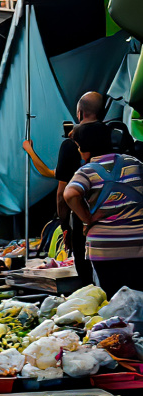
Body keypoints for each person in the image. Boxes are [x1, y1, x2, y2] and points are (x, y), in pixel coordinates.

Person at [23, 90, 105, 285]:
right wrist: (31, 152)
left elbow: (63, 193)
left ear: (79, 113)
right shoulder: (113, 139)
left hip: (85, 223)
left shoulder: (71, 145)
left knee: (89, 280)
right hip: (122, 222)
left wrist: (65, 226)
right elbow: (53, 173)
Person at [64, 121, 143, 298]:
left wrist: (87, 219)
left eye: (78, 146)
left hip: (105, 248)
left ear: (86, 147)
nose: (78, 150)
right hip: (138, 244)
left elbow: (70, 194)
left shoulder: (86, 171)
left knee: (113, 303)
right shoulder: (134, 163)